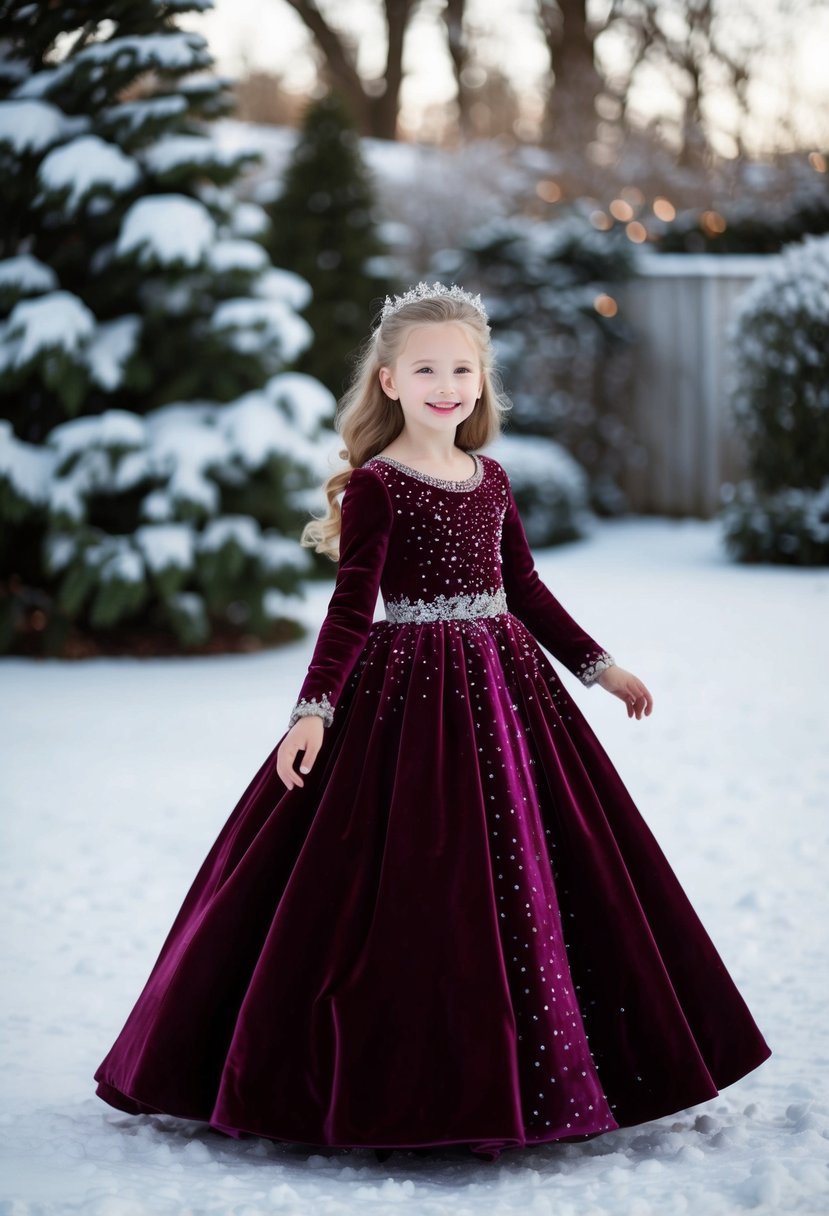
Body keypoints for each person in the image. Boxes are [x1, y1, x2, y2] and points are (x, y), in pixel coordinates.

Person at [94, 282, 771, 1163]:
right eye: (426, 369)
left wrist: (601, 668)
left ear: (482, 380)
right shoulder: (378, 487)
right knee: (411, 876)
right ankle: (395, 1078)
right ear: (388, 382)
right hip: (406, 697)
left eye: (462, 368)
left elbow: (522, 586)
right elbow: (348, 609)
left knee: (540, 866)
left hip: (509, 690)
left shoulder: (491, 478)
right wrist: (312, 712)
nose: (446, 384)